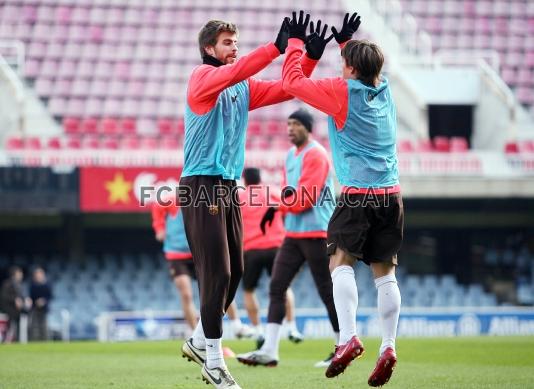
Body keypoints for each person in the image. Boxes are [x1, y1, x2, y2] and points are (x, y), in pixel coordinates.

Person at [178, 16, 319, 388]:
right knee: (219, 274)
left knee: (236, 274)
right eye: (227, 42)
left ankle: (197, 340)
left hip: (226, 186)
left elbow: (288, 89)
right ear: (209, 49)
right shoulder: (202, 77)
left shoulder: (240, 87)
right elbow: (240, 70)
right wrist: (274, 48)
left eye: (236, 42)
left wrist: (306, 56)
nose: (234, 48)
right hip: (200, 186)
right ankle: (212, 362)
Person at [281, 12, 404, 387]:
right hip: (392, 196)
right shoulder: (385, 92)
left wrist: (303, 48)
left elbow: (291, 82)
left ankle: (348, 335)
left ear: (349, 69)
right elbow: (366, 69)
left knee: (340, 262)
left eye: (345, 63)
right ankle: (388, 345)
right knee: (386, 274)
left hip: (355, 198)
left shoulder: (340, 92)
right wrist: (346, 43)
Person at [236, 106, 340, 368]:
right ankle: (270, 350)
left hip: (317, 231)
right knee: (277, 287)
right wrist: (280, 206)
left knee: (327, 291)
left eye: (296, 124)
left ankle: (342, 347)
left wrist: (277, 207)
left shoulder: (316, 155)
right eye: (288, 124)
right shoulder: (291, 156)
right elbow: (288, 192)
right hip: (294, 233)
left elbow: (305, 199)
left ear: (308, 127)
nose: (290, 129)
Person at [152, 196, 254, 338]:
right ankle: (196, 335)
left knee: (221, 285)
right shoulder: (176, 199)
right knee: (186, 294)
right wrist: (159, 228)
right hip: (177, 254)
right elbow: (158, 205)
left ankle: (236, 325)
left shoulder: (205, 200)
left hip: (199, 252)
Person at [239, 167, 303, 349]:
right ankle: (291, 328)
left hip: (251, 249)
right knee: (285, 287)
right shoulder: (273, 193)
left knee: (249, 290)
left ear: (245, 181)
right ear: (260, 179)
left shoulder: (239, 197)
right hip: (276, 247)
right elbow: (288, 209)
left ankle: (258, 331)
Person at [1, 266, 25, 343]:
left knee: (16, 327)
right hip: (9, 310)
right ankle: (7, 341)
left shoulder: (19, 284)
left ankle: (16, 340)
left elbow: (20, 297)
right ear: (14, 274)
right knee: (10, 327)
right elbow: (3, 296)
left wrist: (24, 300)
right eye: (19, 273)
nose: (21, 275)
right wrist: (14, 300)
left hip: (17, 311)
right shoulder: (7, 284)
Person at [29, 267, 52, 341]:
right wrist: (34, 301)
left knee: (44, 326)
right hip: (35, 308)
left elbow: (50, 296)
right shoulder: (33, 285)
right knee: (34, 326)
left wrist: (43, 301)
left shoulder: (47, 284)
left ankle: (45, 340)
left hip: (44, 308)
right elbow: (31, 296)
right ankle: (34, 341)